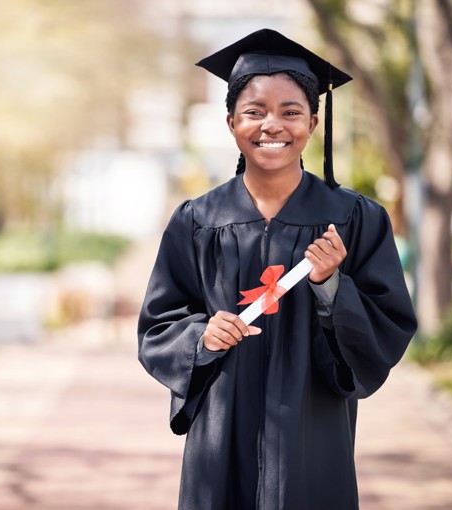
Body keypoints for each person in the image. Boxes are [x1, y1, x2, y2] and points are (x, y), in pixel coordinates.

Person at [137, 28, 417, 509]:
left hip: (312, 427)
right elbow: (158, 324)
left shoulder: (355, 219)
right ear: (230, 122)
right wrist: (200, 337)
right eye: (254, 111)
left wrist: (332, 286)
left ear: (312, 121)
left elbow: (387, 324)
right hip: (221, 431)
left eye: (290, 112)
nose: (273, 125)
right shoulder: (197, 220)